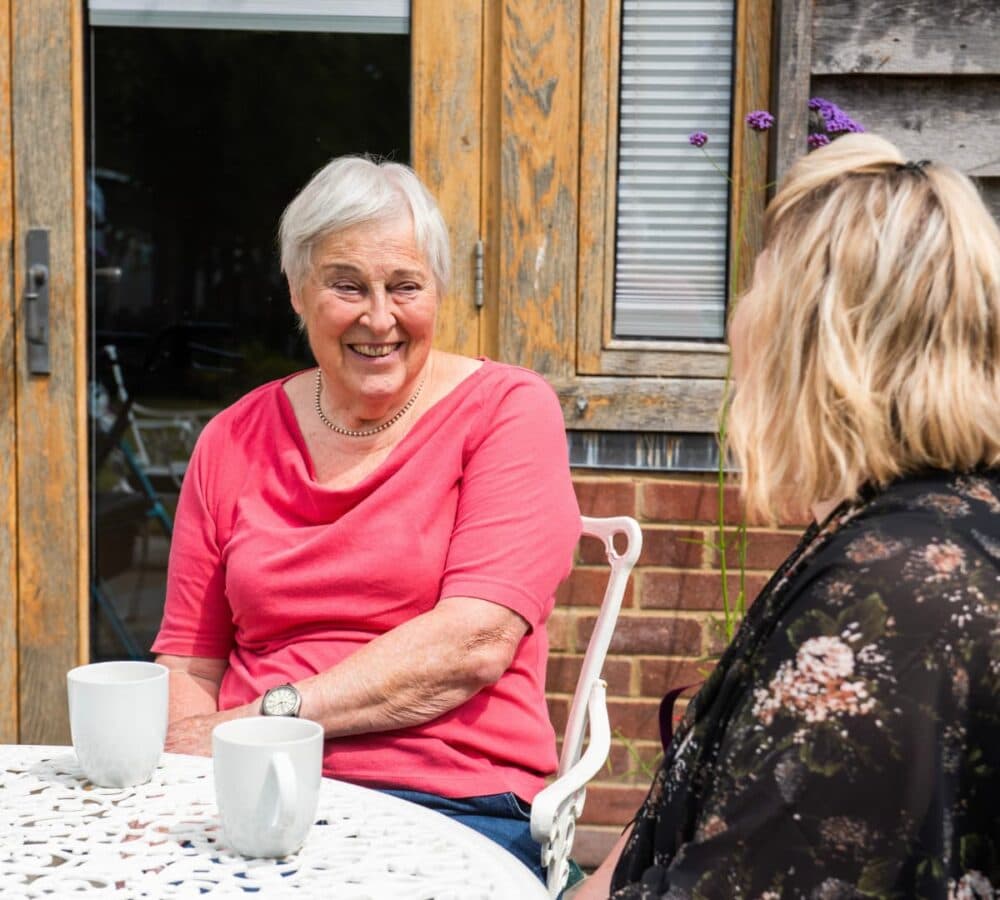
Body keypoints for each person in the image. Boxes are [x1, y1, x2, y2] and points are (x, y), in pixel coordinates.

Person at [578, 134, 1000, 898]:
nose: (737, 324)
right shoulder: (902, 525)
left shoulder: (899, 599)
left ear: (817, 339)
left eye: (756, 290)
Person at [151, 155, 581, 880]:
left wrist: (266, 719)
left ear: (437, 290)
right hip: (250, 791)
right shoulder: (232, 437)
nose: (379, 318)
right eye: (346, 285)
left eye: (404, 286)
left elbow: (470, 646)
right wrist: (180, 771)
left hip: (447, 796)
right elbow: (191, 659)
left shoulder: (508, 410)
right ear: (297, 290)